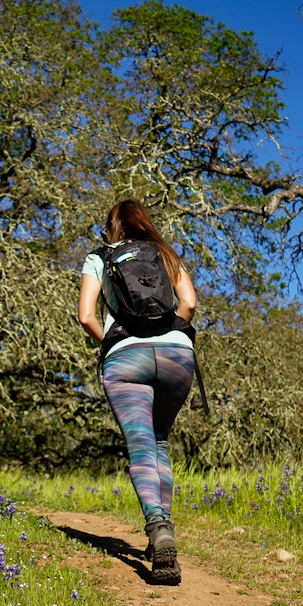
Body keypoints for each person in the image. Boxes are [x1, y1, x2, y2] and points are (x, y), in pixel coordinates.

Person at [76, 198, 197, 584]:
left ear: (111, 227)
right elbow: (190, 303)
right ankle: (164, 531)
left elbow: (85, 316)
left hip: (126, 356)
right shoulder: (165, 253)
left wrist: (110, 343)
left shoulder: (99, 258)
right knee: (160, 441)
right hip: (178, 353)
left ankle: (159, 528)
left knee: (141, 445)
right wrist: (169, 332)